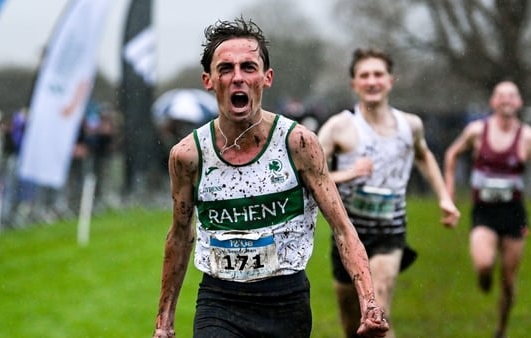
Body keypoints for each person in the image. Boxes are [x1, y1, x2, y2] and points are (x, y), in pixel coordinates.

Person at [152, 18, 389, 338]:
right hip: (219, 301)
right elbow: (180, 235)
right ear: (209, 81)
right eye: (226, 68)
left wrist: (369, 303)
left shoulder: (298, 144)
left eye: (249, 67)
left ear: (267, 78)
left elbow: (342, 229)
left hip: (284, 302)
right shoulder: (188, 155)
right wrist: (164, 322)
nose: (238, 77)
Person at [317, 48, 461, 338]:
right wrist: (349, 173)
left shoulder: (410, 125)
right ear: (354, 84)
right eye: (364, 75)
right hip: (348, 234)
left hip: (390, 233)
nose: (372, 81)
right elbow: (309, 175)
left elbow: (424, 156)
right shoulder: (339, 127)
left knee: (376, 315)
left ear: (390, 80)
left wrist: (444, 198)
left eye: (378, 74)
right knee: (352, 323)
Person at [443, 81, 531, 338]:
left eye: (511, 96)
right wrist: (449, 191)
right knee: (483, 264)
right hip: (484, 213)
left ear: (519, 103)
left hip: (514, 215)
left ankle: (501, 329)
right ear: (492, 102)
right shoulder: (477, 131)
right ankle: (484, 278)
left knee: (509, 281)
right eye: (501, 96)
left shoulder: (528, 137)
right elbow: (452, 154)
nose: (506, 100)